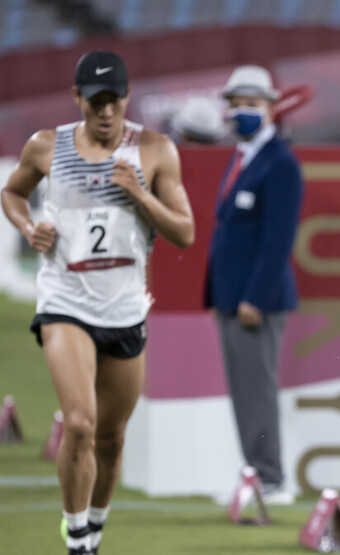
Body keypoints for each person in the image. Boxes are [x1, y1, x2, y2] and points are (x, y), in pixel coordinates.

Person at [1, 50, 195, 554]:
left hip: (126, 310)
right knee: (81, 424)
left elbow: (185, 233)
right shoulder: (47, 146)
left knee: (110, 438)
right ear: (77, 99)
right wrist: (28, 227)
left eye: (114, 101)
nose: (106, 112)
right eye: (95, 102)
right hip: (66, 303)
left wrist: (141, 196)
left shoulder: (154, 151)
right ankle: (78, 537)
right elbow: (12, 192)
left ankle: (95, 522)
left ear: (128, 98)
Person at [204, 65, 304, 505]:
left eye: (251, 104)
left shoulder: (280, 163)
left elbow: (278, 240)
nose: (242, 111)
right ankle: (255, 475)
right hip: (231, 299)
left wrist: (253, 297)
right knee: (243, 392)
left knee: (257, 392)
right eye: (236, 103)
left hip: (255, 301)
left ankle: (271, 478)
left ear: (270, 108)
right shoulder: (242, 156)